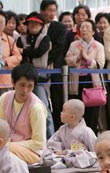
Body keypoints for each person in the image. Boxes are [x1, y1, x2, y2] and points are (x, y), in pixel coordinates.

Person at [16, 12, 54, 139]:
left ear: (41, 25)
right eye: (30, 23)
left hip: (40, 78)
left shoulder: (45, 38)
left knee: (43, 108)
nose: (33, 25)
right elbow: (18, 55)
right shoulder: (20, 38)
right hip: (23, 77)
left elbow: (38, 52)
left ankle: (50, 137)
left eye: (36, 23)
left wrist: (25, 51)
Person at [65, 19, 105, 134]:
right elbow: (67, 60)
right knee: (77, 111)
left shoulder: (98, 46)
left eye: (87, 28)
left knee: (93, 113)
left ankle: (91, 137)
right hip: (77, 81)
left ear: (93, 31)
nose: (84, 30)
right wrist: (78, 57)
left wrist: (86, 57)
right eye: (82, 27)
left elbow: (100, 64)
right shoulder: (73, 45)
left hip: (92, 82)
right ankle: (77, 136)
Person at [42, 99, 98, 169]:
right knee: (46, 155)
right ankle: (63, 163)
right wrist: (58, 151)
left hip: (78, 157)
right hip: (63, 157)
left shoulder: (86, 131)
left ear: (72, 117)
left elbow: (96, 151)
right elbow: (52, 143)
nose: (61, 113)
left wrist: (68, 152)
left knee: (85, 157)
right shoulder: (62, 129)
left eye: (63, 111)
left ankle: (64, 163)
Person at [40, 0, 66, 131]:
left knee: (57, 101)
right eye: (49, 10)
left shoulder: (60, 27)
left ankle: (58, 129)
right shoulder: (36, 25)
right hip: (38, 70)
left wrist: (46, 60)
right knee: (41, 101)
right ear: (42, 11)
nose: (51, 13)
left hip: (55, 68)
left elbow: (59, 47)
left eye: (54, 10)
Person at [0, 10, 22, 96]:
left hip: (5, 79)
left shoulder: (9, 40)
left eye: (1, 22)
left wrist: (6, 61)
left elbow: (18, 57)